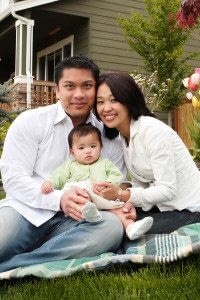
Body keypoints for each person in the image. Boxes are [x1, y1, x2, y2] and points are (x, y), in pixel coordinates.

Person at [0, 56, 134, 273]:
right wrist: (59, 198)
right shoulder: (30, 121)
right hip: (25, 211)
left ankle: (14, 266)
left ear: (95, 88)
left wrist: (122, 202)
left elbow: (115, 183)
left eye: (87, 86)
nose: (79, 94)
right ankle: (47, 253)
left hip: (81, 217)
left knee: (110, 228)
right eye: (70, 86)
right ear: (57, 90)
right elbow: (13, 179)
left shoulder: (108, 133)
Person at [94, 72, 200, 235]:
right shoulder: (125, 135)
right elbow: (141, 183)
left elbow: (167, 190)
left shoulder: (152, 131)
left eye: (114, 100)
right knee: (115, 221)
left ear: (129, 99)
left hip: (190, 209)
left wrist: (122, 195)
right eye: (100, 102)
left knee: (123, 233)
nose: (106, 108)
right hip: (162, 208)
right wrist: (129, 203)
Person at [41, 123, 153, 240]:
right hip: (80, 196)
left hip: (100, 195)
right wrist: (50, 183)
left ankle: (131, 227)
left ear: (101, 147)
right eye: (81, 148)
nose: (88, 151)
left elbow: (116, 175)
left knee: (119, 208)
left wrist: (109, 185)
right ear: (72, 152)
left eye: (93, 146)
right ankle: (90, 213)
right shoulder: (69, 166)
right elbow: (58, 176)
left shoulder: (105, 163)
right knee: (79, 194)